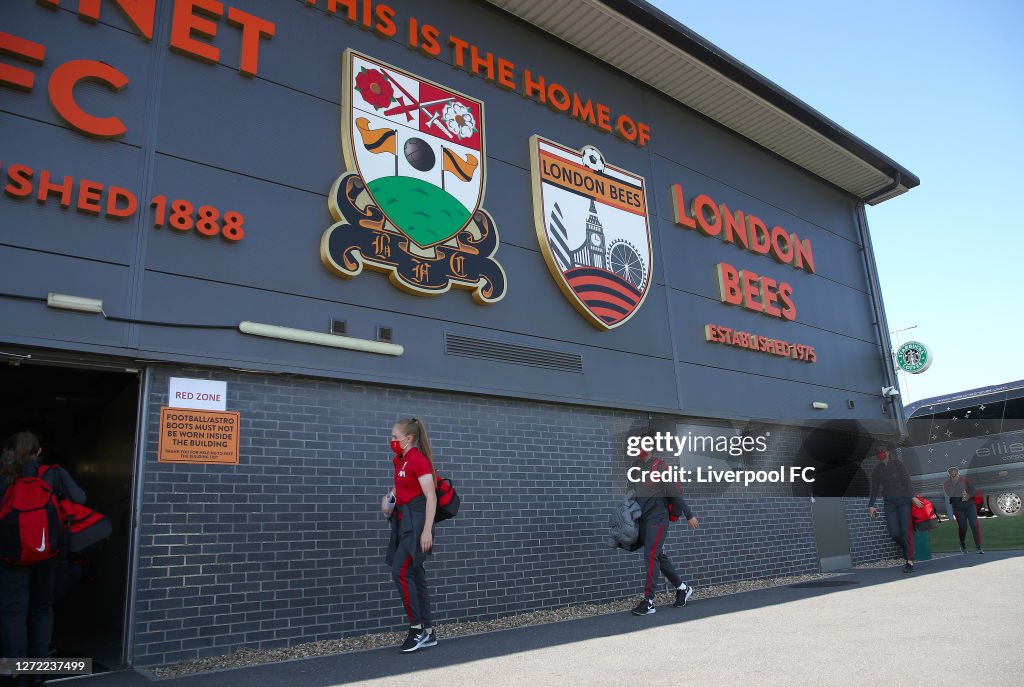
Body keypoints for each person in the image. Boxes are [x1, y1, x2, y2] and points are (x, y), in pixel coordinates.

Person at [0, 432, 85, 687]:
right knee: (42, 610)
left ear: (11, 452)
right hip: (47, 553)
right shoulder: (54, 473)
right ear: (38, 452)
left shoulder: (4, 476)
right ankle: (40, 673)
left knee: (12, 613)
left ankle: (15, 674)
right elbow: (80, 499)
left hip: (9, 557)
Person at [382, 418, 438, 653]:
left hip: (416, 525)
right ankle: (428, 632)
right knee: (415, 574)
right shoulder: (400, 460)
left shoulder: (418, 460)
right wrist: (388, 504)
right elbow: (400, 490)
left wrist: (426, 531)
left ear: (409, 439)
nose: (392, 441)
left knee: (400, 571)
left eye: (396, 437)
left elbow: (431, 497)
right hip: (402, 523)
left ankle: (416, 630)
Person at [628, 446, 698, 616]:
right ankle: (683, 588)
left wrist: (689, 515)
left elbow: (674, 492)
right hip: (644, 519)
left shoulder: (660, 466)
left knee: (650, 555)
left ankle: (649, 602)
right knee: (658, 555)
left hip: (658, 519)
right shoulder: (636, 467)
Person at [867, 446, 922, 573]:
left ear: (887, 452)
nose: (880, 454)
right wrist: (871, 505)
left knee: (905, 529)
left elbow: (907, 481)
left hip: (904, 502)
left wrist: (912, 496)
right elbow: (874, 489)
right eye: (878, 452)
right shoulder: (877, 470)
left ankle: (909, 561)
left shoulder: (898, 464)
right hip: (889, 503)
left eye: (882, 451)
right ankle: (908, 548)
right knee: (894, 533)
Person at [943, 466, 983, 554]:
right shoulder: (947, 484)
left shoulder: (964, 480)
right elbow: (950, 493)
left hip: (969, 505)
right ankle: (962, 544)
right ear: (949, 474)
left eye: (955, 472)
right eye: (951, 472)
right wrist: (954, 483)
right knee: (963, 527)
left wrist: (969, 495)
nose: (953, 473)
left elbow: (973, 491)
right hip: (958, 507)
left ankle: (978, 547)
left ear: (958, 472)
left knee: (974, 524)